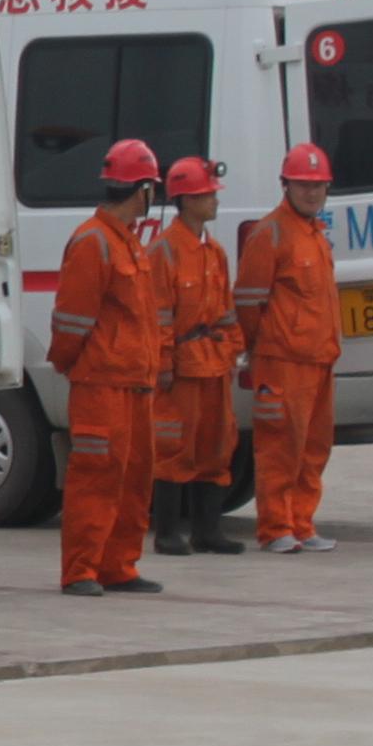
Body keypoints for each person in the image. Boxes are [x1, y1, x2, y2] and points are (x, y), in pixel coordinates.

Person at [47, 140, 174, 598]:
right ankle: (80, 570)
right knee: (95, 478)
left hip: (133, 384)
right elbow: (71, 320)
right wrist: (72, 364)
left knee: (134, 479)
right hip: (101, 386)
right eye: (152, 188)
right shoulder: (94, 242)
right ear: (142, 190)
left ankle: (118, 566)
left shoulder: (128, 242)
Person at [239, 142, 344, 551]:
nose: (312, 192)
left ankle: (301, 524)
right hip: (282, 362)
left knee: (314, 448)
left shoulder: (315, 235)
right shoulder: (271, 233)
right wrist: (262, 348)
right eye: (303, 185)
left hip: (319, 360)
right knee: (280, 447)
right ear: (286, 185)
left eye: (318, 185)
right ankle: (275, 528)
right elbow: (248, 302)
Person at [153, 156, 247, 557]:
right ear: (186, 200)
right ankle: (167, 533)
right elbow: (158, 314)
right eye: (208, 195)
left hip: (214, 363)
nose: (215, 201)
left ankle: (208, 531)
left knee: (217, 445)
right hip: (183, 367)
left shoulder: (215, 252)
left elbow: (226, 310)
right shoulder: (165, 250)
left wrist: (234, 349)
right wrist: (163, 364)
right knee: (174, 447)